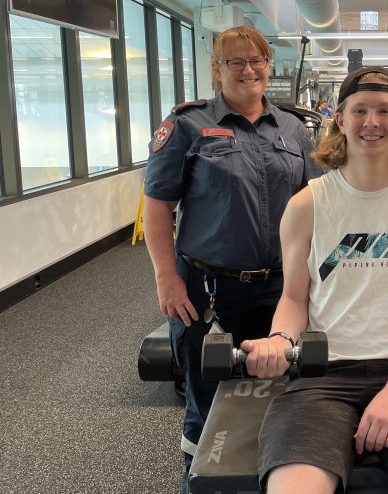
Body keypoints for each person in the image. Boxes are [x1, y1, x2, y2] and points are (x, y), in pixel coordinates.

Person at [241, 66, 388, 494]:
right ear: (340, 119)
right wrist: (279, 340)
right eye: (359, 110)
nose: (371, 122)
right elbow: (293, 299)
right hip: (320, 379)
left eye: (384, 110)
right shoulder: (307, 204)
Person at [142, 25, 321, 493]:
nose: (249, 70)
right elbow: (157, 205)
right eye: (236, 62)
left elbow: (318, 203)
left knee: (279, 391)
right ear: (216, 69)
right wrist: (166, 277)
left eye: (257, 60)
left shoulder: (293, 129)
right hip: (207, 290)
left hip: (281, 289)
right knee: (207, 399)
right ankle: (198, 482)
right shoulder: (186, 126)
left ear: (268, 66)